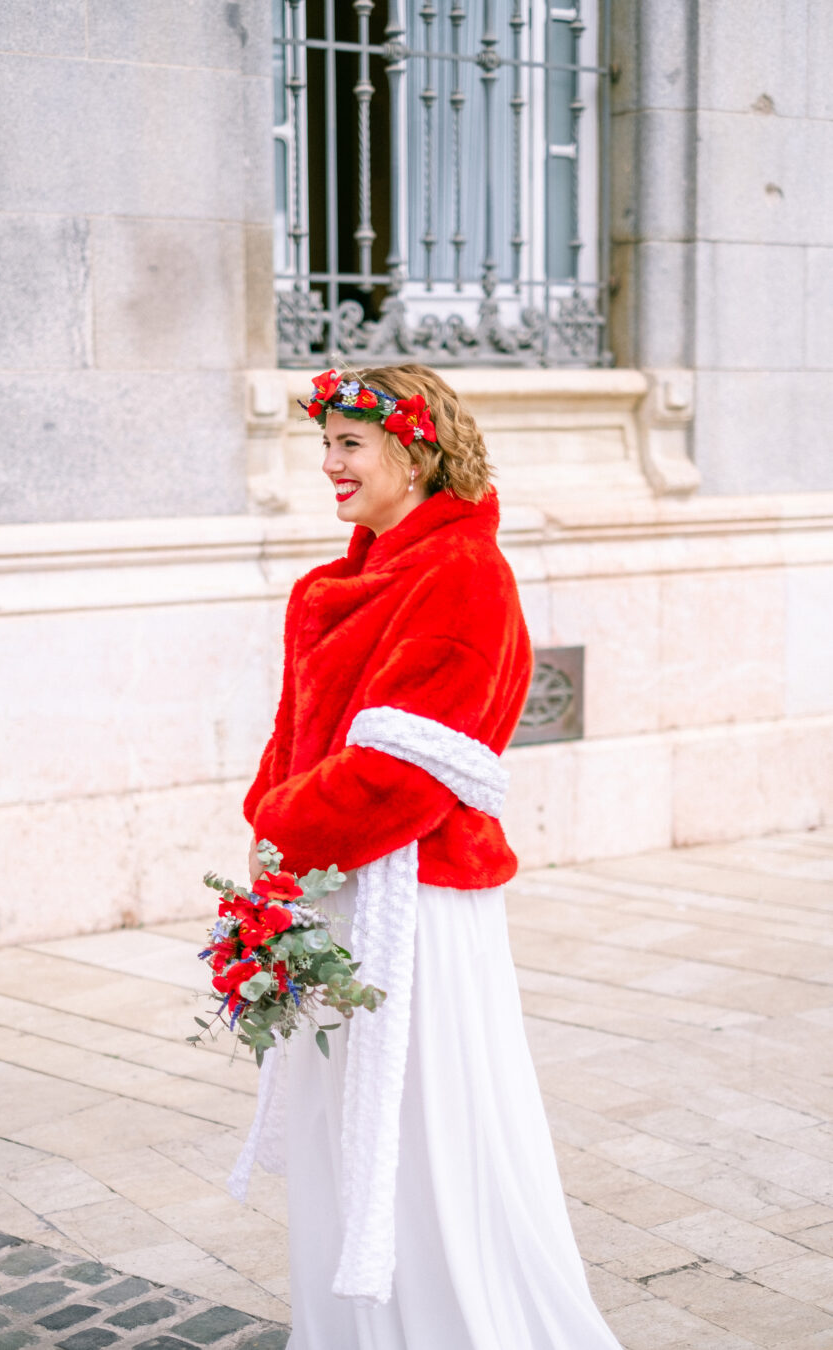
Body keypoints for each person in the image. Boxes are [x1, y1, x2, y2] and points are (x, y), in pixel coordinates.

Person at [237, 364, 623, 1350]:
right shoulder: (334, 580)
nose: (328, 465)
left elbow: (403, 778)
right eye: (322, 444)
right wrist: (271, 855)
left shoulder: (462, 575)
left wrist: (282, 832)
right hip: (337, 890)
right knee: (346, 1133)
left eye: (348, 445)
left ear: (414, 451)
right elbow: (296, 737)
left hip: (417, 900)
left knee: (425, 1137)